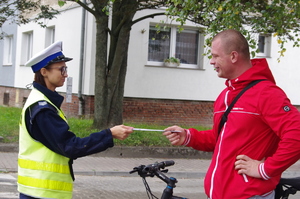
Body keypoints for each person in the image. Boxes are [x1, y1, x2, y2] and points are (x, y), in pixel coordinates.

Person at [163, 29, 300, 199]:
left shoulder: (267, 93)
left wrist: (265, 169)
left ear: (234, 56)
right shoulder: (225, 96)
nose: (211, 62)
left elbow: (297, 134)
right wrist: (189, 136)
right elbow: (220, 138)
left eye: (215, 56)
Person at [18, 41, 133, 199]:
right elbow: (70, 146)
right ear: (44, 71)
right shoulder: (42, 109)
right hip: (42, 193)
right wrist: (109, 134)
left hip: (42, 192)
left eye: (66, 69)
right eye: (61, 69)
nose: (65, 74)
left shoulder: (45, 102)